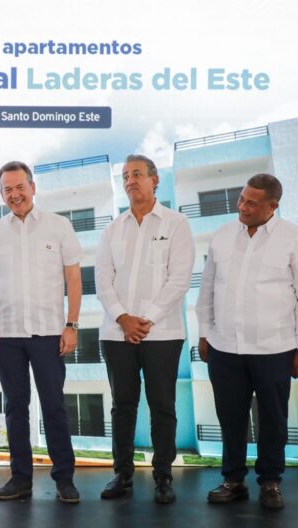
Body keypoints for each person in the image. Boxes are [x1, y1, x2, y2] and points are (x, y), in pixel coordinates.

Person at [196, 173, 298, 510]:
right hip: (224, 346)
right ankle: (233, 480)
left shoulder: (295, 238)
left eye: (251, 202)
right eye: (241, 198)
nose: (242, 206)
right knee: (231, 417)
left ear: (272, 206)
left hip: (275, 348)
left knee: (273, 419)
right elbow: (208, 287)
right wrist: (204, 332)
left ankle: (270, 482)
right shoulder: (222, 235)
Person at [0, 161, 83, 504]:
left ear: (33, 187)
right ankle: (20, 478)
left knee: (54, 406)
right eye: (7, 189)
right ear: (1, 194)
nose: (15, 194)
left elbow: (73, 278)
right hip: (6, 334)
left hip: (49, 333)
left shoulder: (59, 226)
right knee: (15, 407)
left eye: (20, 187)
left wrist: (72, 324)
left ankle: (64, 478)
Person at [95, 155, 195, 504]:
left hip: (163, 333)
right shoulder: (112, 229)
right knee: (122, 406)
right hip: (116, 333)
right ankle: (122, 475)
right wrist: (123, 318)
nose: (130, 181)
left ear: (155, 180)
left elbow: (179, 279)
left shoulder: (177, 224)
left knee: (162, 405)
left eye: (137, 174)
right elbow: (103, 281)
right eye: (125, 176)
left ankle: (163, 476)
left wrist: (146, 319)